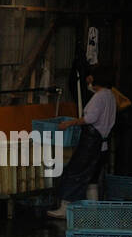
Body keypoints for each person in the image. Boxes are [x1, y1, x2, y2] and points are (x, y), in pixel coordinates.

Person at [48, 66, 118, 218]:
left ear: (96, 78)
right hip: (103, 145)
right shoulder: (110, 95)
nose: (89, 78)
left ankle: (65, 209)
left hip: (91, 144)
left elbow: (90, 118)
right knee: (92, 177)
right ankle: (94, 210)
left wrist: (69, 123)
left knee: (74, 173)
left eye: (91, 76)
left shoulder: (99, 97)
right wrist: (89, 84)